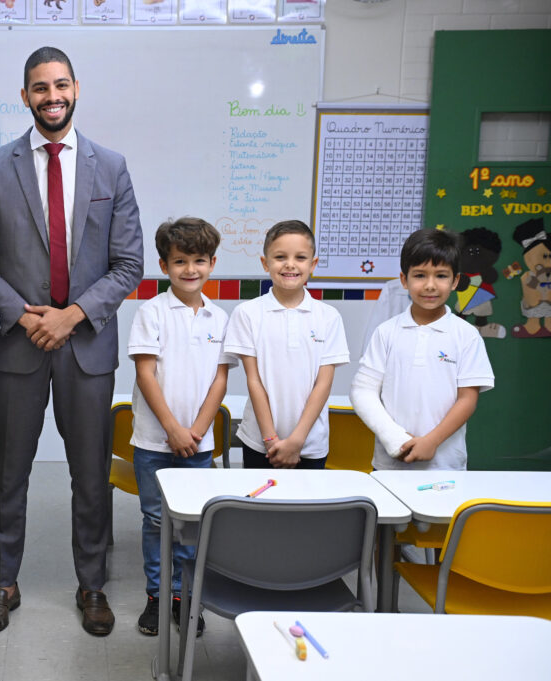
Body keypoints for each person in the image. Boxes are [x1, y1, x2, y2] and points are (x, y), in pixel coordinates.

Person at [0, 46, 143, 636]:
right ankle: (3, 584)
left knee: (89, 474)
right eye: (40, 87)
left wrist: (72, 316)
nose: (52, 96)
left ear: (77, 89)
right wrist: (27, 317)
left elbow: (128, 264)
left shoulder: (110, 167)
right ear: (25, 97)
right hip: (18, 348)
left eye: (60, 85)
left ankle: (91, 585)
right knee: (9, 472)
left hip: (86, 348)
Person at [127, 218, 233, 637]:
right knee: (156, 520)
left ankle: (184, 596)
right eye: (180, 261)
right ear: (164, 265)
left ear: (212, 264)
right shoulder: (150, 312)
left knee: (192, 523)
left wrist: (197, 429)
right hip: (154, 442)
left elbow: (220, 379)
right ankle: (156, 596)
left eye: (200, 261)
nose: (191, 269)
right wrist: (172, 428)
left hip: (199, 444)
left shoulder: (220, 318)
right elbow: (146, 375)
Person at [351, 229, 494, 470]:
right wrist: (395, 439)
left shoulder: (466, 335)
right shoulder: (386, 332)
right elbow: (363, 392)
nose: (430, 285)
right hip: (390, 463)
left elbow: (467, 399)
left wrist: (431, 441)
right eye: (419, 275)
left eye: (440, 275)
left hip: (445, 465)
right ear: (404, 280)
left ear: (455, 281)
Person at [223, 220, 349, 469]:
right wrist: (271, 440)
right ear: (265, 263)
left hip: (310, 444)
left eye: (300, 257)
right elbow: (254, 380)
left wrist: (297, 441)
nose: (290, 264)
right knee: (259, 506)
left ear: (313, 264)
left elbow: (323, 384)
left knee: (305, 506)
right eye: (280, 257)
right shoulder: (247, 313)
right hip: (260, 442)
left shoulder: (328, 316)